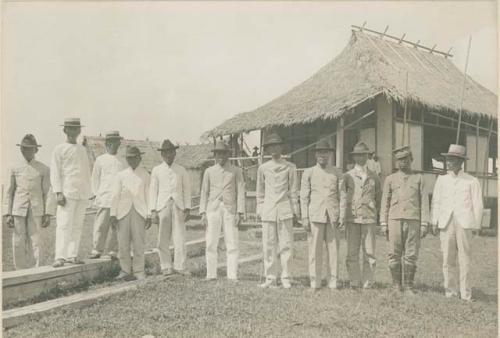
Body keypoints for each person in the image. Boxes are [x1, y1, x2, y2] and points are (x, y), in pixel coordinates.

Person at [431, 144, 483, 301]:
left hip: (464, 223)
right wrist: (435, 221)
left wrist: (476, 225)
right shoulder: (442, 180)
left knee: (465, 259)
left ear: (461, 162)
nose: (448, 163)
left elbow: (477, 204)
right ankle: (450, 292)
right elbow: (436, 201)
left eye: (452, 160)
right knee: (447, 258)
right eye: (447, 160)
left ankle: (466, 294)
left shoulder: (471, 181)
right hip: (446, 222)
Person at [380, 146, 430, 294]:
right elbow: (385, 201)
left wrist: (424, 223)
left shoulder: (419, 178)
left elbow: (424, 202)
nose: (403, 163)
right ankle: (396, 285)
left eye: (406, 159)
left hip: (413, 220)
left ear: (411, 160)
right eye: (400, 160)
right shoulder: (390, 179)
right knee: (394, 253)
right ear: (396, 162)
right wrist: (383, 222)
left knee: (411, 254)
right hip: (394, 219)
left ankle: (408, 286)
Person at [256, 133, 299, 289]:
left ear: (282, 147)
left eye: (277, 146)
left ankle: (286, 277)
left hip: (285, 209)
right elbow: (260, 192)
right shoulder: (263, 168)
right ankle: (270, 277)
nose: (274, 149)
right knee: (268, 244)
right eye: (270, 147)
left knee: (286, 244)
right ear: (267, 150)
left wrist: (295, 211)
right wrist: (260, 209)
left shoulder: (290, 167)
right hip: (268, 210)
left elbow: (294, 191)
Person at [300, 139, 344, 290]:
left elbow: (342, 196)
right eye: (319, 152)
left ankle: (333, 282)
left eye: (325, 152)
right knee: (314, 250)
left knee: (333, 250)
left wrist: (342, 216)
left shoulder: (337, 172)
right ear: (315, 155)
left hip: (333, 216)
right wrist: (304, 217)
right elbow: (304, 196)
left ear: (330, 154)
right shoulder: (308, 173)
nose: (322, 155)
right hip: (315, 215)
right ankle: (315, 281)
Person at [2, 134, 51, 269]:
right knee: (18, 240)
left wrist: (48, 213)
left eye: (30, 149)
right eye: (24, 148)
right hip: (18, 209)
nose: (27, 151)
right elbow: (8, 191)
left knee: (37, 240)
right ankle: (20, 270)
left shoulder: (44, 169)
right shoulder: (14, 167)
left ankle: (37, 269)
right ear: (21, 149)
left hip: (37, 209)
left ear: (36, 150)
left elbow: (47, 192)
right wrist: (7, 213)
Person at [200, 140, 245, 281]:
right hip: (212, 209)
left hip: (229, 209)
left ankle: (232, 275)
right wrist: (202, 212)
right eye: (217, 153)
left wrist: (240, 212)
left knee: (231, 242)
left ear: (228, 155)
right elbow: (204, 192)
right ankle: (211, 274)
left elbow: (241, 191)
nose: (220, 156)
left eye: (223, 153)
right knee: (211, 242)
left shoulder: (236, 170)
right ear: (214, 155)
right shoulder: (209, 171)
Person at [51, 118, 91, 268]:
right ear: (65, 130)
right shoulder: (59, 149)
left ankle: (72, 255)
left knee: (77, 225)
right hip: (67, 192)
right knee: (64, 224)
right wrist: (58, 192)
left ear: (79, 131)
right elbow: (55, 172)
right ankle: (60, 256)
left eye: (76, 129)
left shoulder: (82, 149)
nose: (74, 132)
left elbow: (86, 172)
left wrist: (89, 191)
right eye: (70, 129)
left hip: (81, 193)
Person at [340, 142, 381, 289]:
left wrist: (375, 213)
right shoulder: (347, 176)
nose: (361, 157)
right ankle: (354, 282)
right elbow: (343, 197)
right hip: (352, 218)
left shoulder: (374, 176)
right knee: (352, 252)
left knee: (369, 252)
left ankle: (368, 282)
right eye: (357, 155)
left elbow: (378, 197)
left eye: (363, 154)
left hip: (369, 217)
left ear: (368, 156)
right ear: (353, 157)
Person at [150, 139, 191, 276]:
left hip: (178, 205)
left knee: (179, 237)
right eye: (165, 152)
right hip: (163, 206)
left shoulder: (181, 170)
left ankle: (180, 266)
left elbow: (186, 190)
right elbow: (153, 191)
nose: (168, 155)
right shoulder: (156, 170)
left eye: (171, 152)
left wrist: (188, 208)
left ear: (175, 153)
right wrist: (153, 210)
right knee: (163, 237)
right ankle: (166, 266)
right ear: (162, 155)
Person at [110, 146, 152, 281]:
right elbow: (115, 196)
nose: (132, 160)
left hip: (140, 212)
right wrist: (113, 214)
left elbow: (149, 196)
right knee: (123, 243)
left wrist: (149, 214)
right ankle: (125, 270)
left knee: (139, 242)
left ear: (139, 158)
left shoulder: (145, 175)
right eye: (129, 158)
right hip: (122, 213)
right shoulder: (121, 175)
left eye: (134, 158)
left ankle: (139, 270)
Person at [88, 131, 125, 260]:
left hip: (118, 199)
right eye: (113, 142)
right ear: (107, 144)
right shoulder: (100, 160)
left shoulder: (122, 161)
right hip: (104, 197)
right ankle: (97, 249)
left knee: (117, 226)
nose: (115, 145)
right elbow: (95, 179)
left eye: (117, 142)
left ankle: (113, 251)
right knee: (100, 225)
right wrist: (97, 194)